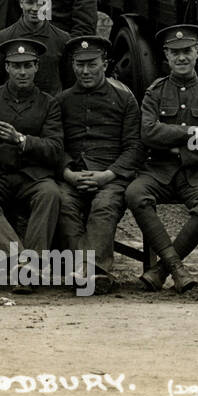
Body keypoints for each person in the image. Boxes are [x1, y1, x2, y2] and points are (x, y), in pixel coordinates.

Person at [125, 25, 198, 293]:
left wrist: (179, 149)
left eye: (187, 51)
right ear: (166, 56)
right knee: (136, 194)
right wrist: (193, 132)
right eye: (175, 53)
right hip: (159, 170)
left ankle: (162, 270)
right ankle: (177, 268)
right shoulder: (155, 92)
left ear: (197, 53)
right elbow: (148, 133)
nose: (181, 57)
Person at [0, 38, 65, 294]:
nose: (22, 72)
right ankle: (21, 263)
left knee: (50, 194)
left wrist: (19, 139)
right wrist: (27, 151)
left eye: (28, 66)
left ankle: (26, 270)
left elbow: (55, 148)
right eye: (16, 66)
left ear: (36, 68)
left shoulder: (49, 103)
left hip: (33, 177)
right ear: (7, 68)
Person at [56, 36, 144, 292]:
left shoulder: (124, 99)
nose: (85, 71)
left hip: (110, 176)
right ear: (72, 65)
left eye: (92, 64)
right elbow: (56, 144)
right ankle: (83, 270)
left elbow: (134, 146)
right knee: (62, 201)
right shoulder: (62, 101)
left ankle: (94, 270)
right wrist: (68, 173)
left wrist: (108, 174)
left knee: (104, 205)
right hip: (75, 175)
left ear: (105, 64)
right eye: (79, 65)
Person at [0, 0, 70, 95]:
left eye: (41, 3)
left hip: (50, 110)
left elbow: (70, 84)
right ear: (21, 3)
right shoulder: (3, 38)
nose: (35, 8)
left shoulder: (62, 39)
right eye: (30, 2)